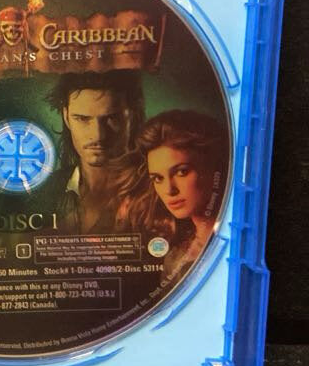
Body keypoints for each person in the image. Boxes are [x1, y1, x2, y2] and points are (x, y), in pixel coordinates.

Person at [118, 110, 227, 275]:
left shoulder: (241, 240)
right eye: (158, 178)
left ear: (212, 167)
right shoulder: (174, 258)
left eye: (182, 172)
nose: (169, 190)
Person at [47, 70, 144, 233]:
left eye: (112, 118)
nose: (98, 135)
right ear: (66, 117)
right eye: (83, 119)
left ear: (132, 117)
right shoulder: (44, 192)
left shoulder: (157, 190)